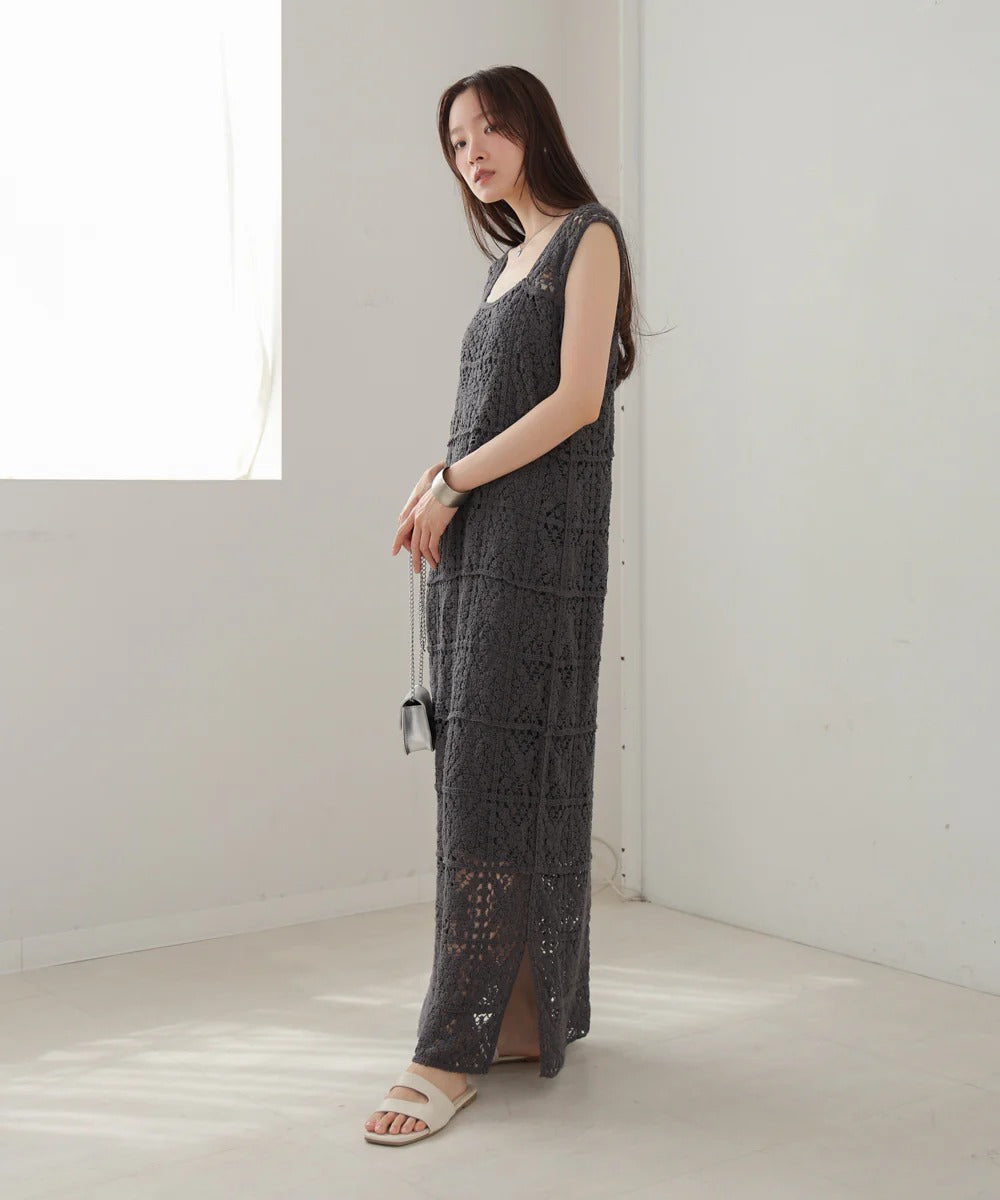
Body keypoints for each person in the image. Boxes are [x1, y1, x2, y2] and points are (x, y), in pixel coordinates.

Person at [366, 65, 638, 1145]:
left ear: (534, 129)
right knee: (478, 773)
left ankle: (446, 1050)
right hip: (474, 543)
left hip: (539, 547)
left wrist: (453, 480)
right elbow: (485, 408)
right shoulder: (503, 263)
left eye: (488, 128)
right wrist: (434, 480)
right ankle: (521, 1015)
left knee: (500, 775)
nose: (471, 151)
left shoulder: (587, 236)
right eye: (455, 139)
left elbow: (576, 400)